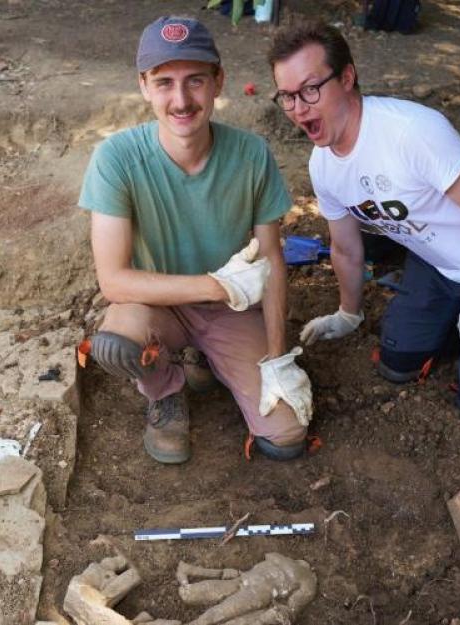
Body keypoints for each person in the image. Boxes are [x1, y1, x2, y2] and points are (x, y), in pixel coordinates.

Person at [78, 15, 312, 464]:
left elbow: (274, 262)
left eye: (196, 81)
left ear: (219, 81)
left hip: (231, 310)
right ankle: (164, 389)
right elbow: (114, 281)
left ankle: (208, 358)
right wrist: (216, 285)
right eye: (164, 82)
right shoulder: (116, 158)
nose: (181, 100)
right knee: (115, 342)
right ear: (144, 86)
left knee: (286, 437)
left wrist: (279, 358)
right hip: (156, 306)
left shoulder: (251, 155)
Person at [268, 21, 460, 424]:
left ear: (347, 78)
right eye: (287, 96)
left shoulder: (411, 132)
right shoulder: (323, 165)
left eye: (310, 89)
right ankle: (458, 328)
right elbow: (345, 246)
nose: (299, 108)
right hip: (437, 263)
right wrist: (348, 312)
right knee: (397, 363)